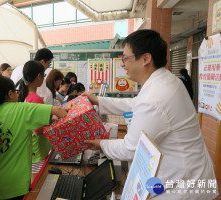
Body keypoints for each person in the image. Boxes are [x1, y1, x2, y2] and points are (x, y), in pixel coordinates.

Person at [83, 29, 218, 199]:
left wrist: (101, 144)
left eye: (126, 58)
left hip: (184, 186)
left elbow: (129, 149)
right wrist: (99, 101)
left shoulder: (156, 96)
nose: (122, 64)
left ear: (146, 59)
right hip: (190, 173)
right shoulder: (165, 81)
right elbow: (136, 104)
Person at [0, 76, 67, 200]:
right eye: (16, 92)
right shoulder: (22, 109)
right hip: (14, 187)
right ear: (10, 93)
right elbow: (58, 111)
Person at [17, 60, 50, 183]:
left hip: (32, 150)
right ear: (38, 76)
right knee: (36, 188)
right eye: (44, 75)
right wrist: (54, 125)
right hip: (38, 151)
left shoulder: (24, 96)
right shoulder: (35, 99)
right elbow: (37, 131)